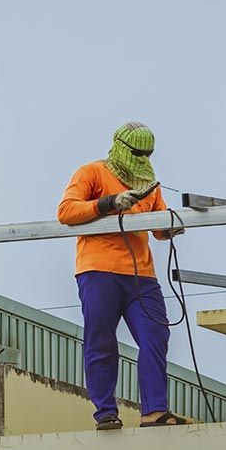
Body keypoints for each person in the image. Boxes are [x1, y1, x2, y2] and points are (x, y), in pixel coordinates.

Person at [57, 121, 188, 430]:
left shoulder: (148, 182)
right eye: (137, 154)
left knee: (155, 335)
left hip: (141, 276)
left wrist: (171, 226)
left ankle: (154, 411)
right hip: (98, 270)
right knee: (101, 339)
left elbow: (158, 229)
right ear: (120, 148)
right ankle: (105, 411)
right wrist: (108, 203)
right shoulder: (91, 173)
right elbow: (66, 211)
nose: (143, 161)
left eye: (147, 155)